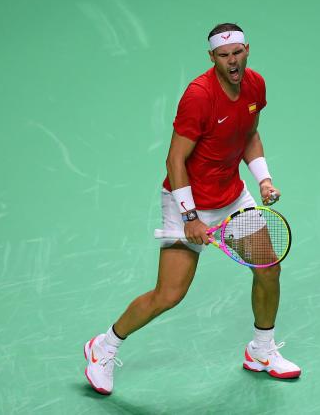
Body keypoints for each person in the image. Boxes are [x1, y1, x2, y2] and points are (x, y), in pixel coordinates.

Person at [83, 23, 301, 395]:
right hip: (188, 201)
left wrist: (263, 178)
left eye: (237, 53)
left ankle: (261, 351)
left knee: (268, 270)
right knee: (169, 294)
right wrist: (190, 216)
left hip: (232, 198)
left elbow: (249, 135)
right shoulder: (199, 96)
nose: (232, 62)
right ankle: (104, 346)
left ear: (247, 50)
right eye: (223, 55)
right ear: (212, 57)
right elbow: (174, 159)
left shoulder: (255, 84)